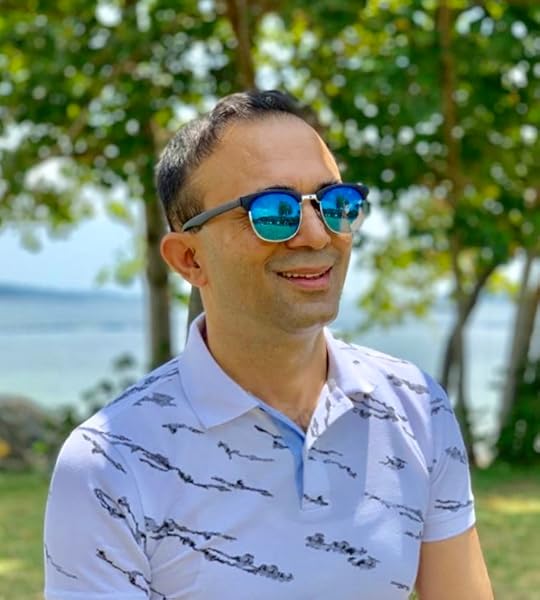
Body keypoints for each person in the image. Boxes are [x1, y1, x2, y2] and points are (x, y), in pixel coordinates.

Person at [44, 90, 493, 599]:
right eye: (273, 212)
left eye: (335, 204)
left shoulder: (415, 407)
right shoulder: (109, 462)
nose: (316, 235)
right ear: (189, 259)